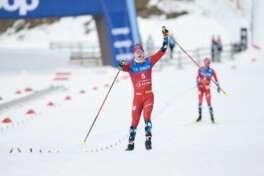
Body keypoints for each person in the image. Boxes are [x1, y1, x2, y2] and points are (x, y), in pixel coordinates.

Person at [119, 27, 169, 151]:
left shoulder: (149, 61)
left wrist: (165, 37)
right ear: (134, 54)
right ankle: (130, 144)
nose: (139, 53)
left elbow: (162, 51)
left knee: (147, 116)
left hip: (148, 96)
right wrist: (121, 65)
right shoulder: (131, 65)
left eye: (141, 51)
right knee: (134, 120)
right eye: (137, 52)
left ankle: (148, 140)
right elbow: (121, 68)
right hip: (137, 97)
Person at [196, 58, 220, 123]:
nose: (208, 64)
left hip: (207, 89)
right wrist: (197, 83)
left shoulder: (211, 71)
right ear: (204, 63)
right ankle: (199, 116)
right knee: (200, 102)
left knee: (209, 103)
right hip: (201, 88)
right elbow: (197, 77)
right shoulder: (200, 69)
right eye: (206, 62)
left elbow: (216, 79)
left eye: (209, 63)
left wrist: (218, 86)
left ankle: (212, 117)